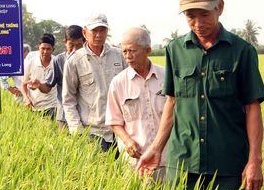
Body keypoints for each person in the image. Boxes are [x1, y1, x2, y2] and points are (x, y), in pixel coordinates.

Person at [137, 0, 264, 190]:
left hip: (227, 166)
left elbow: (252, 107)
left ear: (219, 7)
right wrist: (155, 148)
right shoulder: (175, 50)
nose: (198, 23)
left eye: (204, 14)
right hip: (182, 163)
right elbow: (172, 102)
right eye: (190, 15)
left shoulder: (241, 51)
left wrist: (255, 161)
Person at [105, 27, 167, 181]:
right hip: (136, 163)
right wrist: (127, 140)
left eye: (132, 51)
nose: (128, 56)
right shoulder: (118, 83)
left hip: (167, 159)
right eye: (124, 52)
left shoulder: (166, 77)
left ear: (147, 50)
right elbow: (114, 121)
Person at [62, 13, 127, 153]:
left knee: (124, 173)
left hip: (122, 131)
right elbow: (68, 100)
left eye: (102, 30)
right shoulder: (74, 61)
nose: (98, 35)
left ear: (107, 32)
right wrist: (77, 131)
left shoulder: (119, 55)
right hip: (93, 132)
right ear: (85, 33)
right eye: (94, 31)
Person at [25, 25, 85, 128]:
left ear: (85, 42)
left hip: (86, 115)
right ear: (65, 42)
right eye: (71, 45)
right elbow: (48, 87)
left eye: (79, 45)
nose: (75, 50)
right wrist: (39, 85)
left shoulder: (90, 60)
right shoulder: (59, 60)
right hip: (64, 116)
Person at [20, 34, 58, 120]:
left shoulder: (57, 63)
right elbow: (23, 84)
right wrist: (26, 99)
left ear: (53, 49)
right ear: (38, 48)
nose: (45, 52)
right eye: (43, 48)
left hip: (53, 105)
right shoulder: (30, 63)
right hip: (34, 106)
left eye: (48, 49)